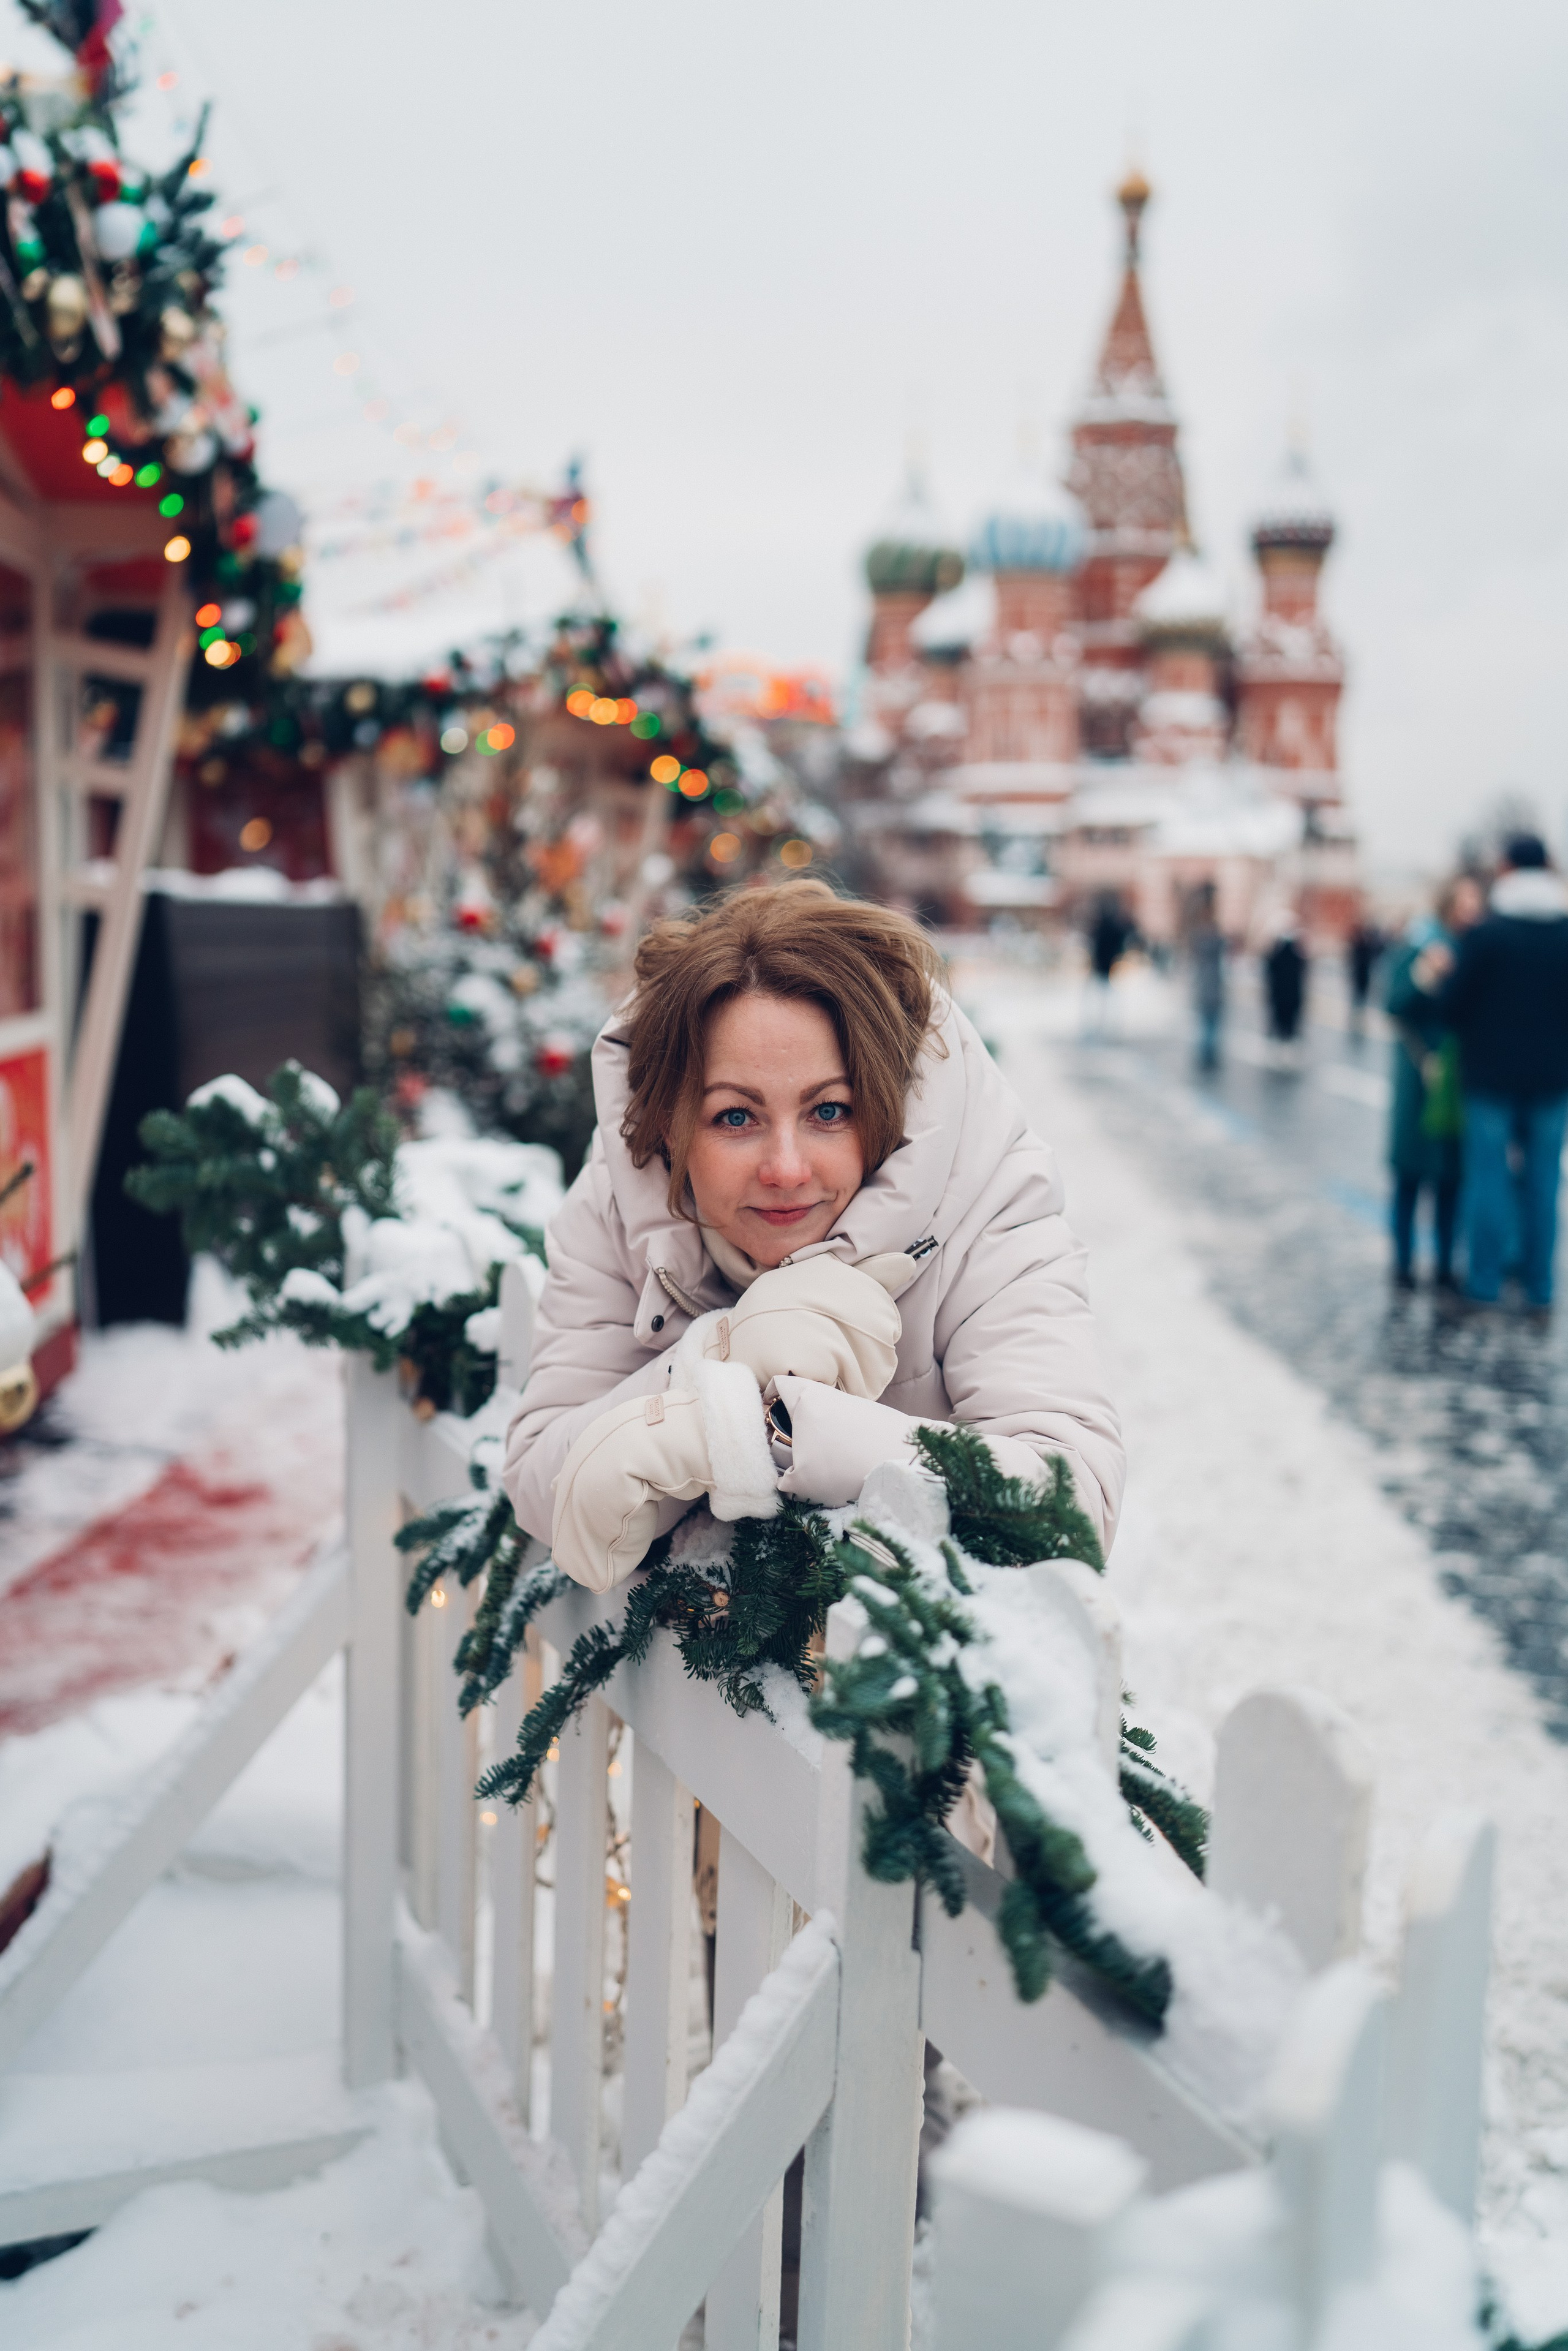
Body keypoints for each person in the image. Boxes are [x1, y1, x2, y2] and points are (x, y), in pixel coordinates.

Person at [503, 880, 1125, 1594]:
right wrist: (723, 1357)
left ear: (886, 1107)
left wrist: (776, 1427)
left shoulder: (986, 1198)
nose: (786, 1168)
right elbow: (537, 1478)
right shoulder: (622, 1202)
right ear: (673, 1125)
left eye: (829, 1110)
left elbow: (1070, 1506)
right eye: (735, 1117)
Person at [1421, 834, 1568, 1319]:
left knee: (1488, 1179)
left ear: (1506, 870)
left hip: (1489, 1077)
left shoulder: (1488, 934)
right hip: (1552, 1078)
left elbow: (1452, 1008)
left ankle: (1484, 1282)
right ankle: (1539, 1284)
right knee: (1545, 1183)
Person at [1382, 875, 1483, 1292]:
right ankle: (1403, 1261)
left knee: (1451, 1177)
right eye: (1466, 902)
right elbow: (1394, 1001)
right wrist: (1427, 972)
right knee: (1411, 1174)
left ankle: (1445, 1262)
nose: (1472, 910)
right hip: (1420, 1075)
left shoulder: (1476, 950)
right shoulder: (1421, 945)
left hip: (1459, 1075)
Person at [1082, 892, 1137, 1041]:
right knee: (1107, 1002)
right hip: (1108, 968)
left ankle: (1102, 1028)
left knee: (1101, 1002)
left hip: (1103, 968)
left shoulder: (1100, 928)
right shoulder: (1113, 928)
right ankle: (1106, 1029)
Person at [1188, 886, 1226, 1072]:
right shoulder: (1214, 940)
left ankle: (1207, 1053)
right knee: (1210, 1025)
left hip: (1206, 988)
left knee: (1207, 1024)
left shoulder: (1199, 939)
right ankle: (1208, 1054)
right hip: (1213, 988)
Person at [1263, 924, 1308, 1048]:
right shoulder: (1297, 958)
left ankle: (1281, 1042)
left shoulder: (1277, 957)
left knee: (1280, 1021)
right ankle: (1287, 1042)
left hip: (1280, 997)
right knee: (1289, 1024)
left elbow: (1269, 968)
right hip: (1292, 997)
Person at [1346, 916, 1385, 1042]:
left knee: (1361, 994)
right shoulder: (1357, 942)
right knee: (1358, 995)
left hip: (1363, 973)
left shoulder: (1366, 941)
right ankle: (1356, 1014)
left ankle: (1359, 1014)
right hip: (1359, 972)